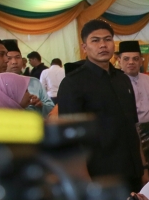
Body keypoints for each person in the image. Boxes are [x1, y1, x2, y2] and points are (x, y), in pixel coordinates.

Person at [57, 20, 143, 191]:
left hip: (133, 171)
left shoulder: (122, 79)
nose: (103, 45)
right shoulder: (73, 83)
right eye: (95, 40)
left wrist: (144, 168)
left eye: (107, 39)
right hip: (101, 176)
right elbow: (70, 140)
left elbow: (134, 127)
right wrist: (84, 180)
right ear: (84, 47)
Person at [119, 40, 149, 175]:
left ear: (141, 61)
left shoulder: (147, 80)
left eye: (135, 59)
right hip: (134, 134)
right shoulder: (117, 83)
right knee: (140, 173)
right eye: (126, 59)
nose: (131, 62)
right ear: (119, 60)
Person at [3, 40, 52, 116]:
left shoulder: (34, 82)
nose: (14, 62)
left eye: (18, 57)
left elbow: (51, 108)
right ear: (3, 60)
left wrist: (41, 104)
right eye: (9, 58)